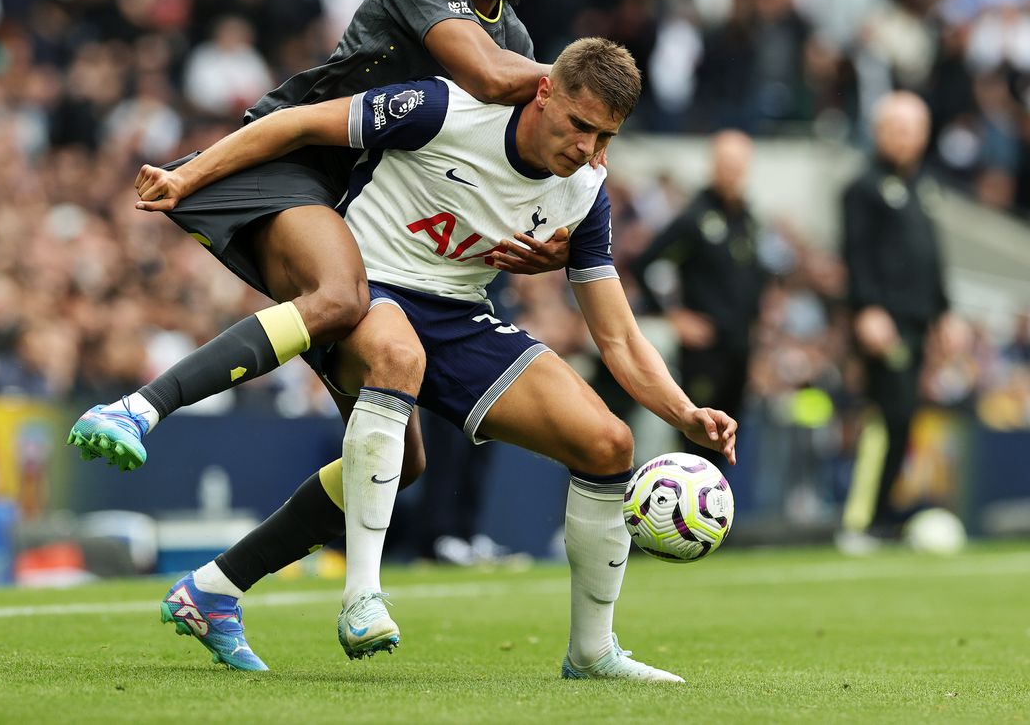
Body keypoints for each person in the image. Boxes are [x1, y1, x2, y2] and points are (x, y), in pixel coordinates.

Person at [68, 0, 564, 669]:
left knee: (398, 461)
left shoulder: (522, 45)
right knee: (339, 295)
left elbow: (507, 166)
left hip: (362, 208)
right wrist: (582, 85)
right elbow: (483, 78)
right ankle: (139, 408)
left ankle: (216, 589)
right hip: (295, 161)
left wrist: (551, 246)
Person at [140, 38, 738, 680]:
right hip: (362, 286)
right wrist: (188, 175)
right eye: (580, 126)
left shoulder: (585, 192)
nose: (588, 151)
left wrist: (683, 411)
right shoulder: (445, 110)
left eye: (606, 137)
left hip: (457, 314)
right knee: (398, 359)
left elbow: (617, 337)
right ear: (544, 92)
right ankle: (361, 596)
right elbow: (294, 122)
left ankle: (591, 652)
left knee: (608, 443)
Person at [838, 91, 958, 553]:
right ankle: (860, 520)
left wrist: (943, 312)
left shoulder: (922, 187)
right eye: (897, 128)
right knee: (887, 417)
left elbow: (932, 258)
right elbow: (857, 254)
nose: (906, 138)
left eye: (914, 129)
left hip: (916, 319)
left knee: (905, 418)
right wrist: (866, 308)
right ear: (880, 131)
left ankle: (882, 518)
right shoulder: (864, 187)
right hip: (884, 319)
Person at [628, 130, 764, 470]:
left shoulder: (747, 219)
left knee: (729, 441)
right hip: (704, 352)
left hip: (740, 349)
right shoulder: (695, 217)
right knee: (696, 439)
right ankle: (682, 519)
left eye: (739, 164)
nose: (732, 171)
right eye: (725, 163)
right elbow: (644, 263)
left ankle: (712, 517)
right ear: (713, 165)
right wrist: (673, 316)